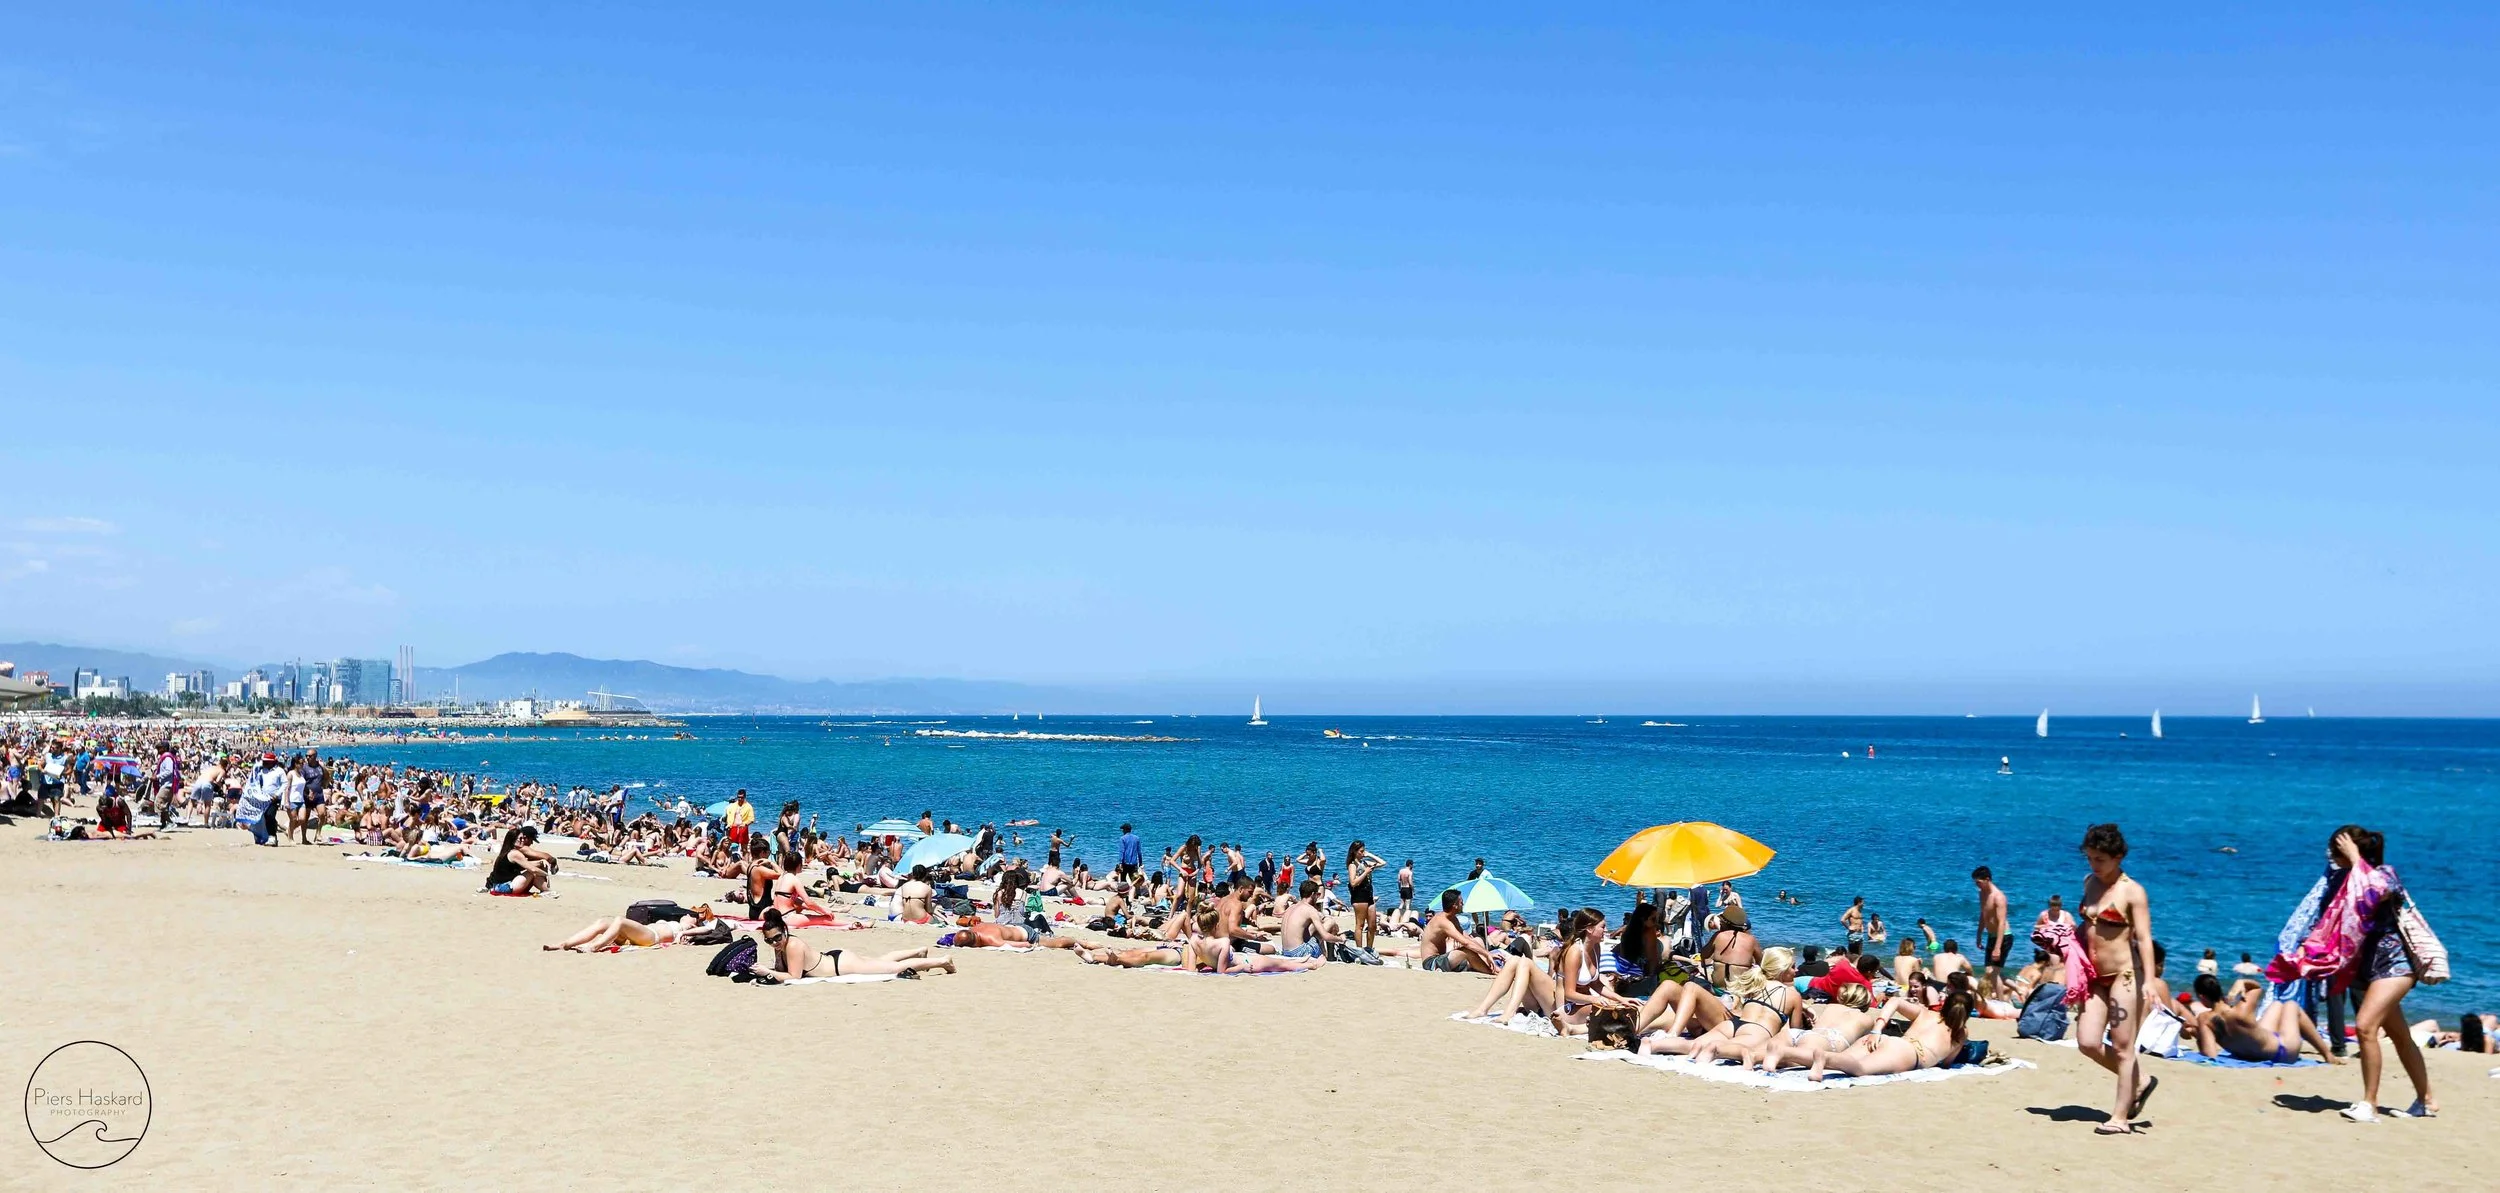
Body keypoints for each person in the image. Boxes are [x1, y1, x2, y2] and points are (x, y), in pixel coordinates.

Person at [2074, 823, 2157, 1135]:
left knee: (2124, 1047)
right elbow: (2089, 928)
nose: (2094, 865)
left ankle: (2120, 1118)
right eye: (2090, 858)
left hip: (2124, 975)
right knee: (2087, 1042)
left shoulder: (2132, 891)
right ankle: (2141, 1080)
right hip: (2093, 976)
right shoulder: (2089, 882)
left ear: (2118, 856)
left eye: (2100, 859)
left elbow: (2145, 939)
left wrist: (2149, 980)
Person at [1809, 989, 1973, 1081]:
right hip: (1909, 1054)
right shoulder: (1961, 1032)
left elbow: (1895, 1001)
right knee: (1859, 1069)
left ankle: (1815, 1057)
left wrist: (1877, 1029)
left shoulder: (1926, 1013)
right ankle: (1824, 1056)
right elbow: (1947, 1063)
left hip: (1885, 1039)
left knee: (1844, 1061)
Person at [750, 909, 955, 980]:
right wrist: (775, 957)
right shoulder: (784, 945)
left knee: (893, 969)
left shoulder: (792, 945)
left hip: (841, 966)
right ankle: (918, 951)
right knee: (879, 962)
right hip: (838, 960)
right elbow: (782, 969)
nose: (774, 942)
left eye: (777, 938)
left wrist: (766, 972)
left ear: (784, 932)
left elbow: (793, 977)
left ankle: (942, 961)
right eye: (769, 940)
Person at [2188, 975, 2336, 1064]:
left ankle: (2328, 1054)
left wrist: (2199, 1034)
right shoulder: (2241, 1009)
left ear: (2202, 997)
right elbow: (2257, 988)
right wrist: (2242, 982)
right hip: (2282, 1052)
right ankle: (2327, 1054)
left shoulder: (2205, 1020)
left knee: (2277, 1005)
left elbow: (2210, 1054)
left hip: (2257, 1050)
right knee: (2291, 1005)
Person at [545, 904, 716, 952]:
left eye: (697, 913)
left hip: (651, 937)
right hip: (642, 934)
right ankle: (564, 944)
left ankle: (594, 947)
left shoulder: (690, 925)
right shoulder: (680, 920)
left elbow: (708, 929)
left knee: (619, 920)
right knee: (603, 922)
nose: (690, 913)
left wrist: (685, 931)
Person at [1419, 889, 1500, 974]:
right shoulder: (1443, 921)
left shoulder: (1453, 919)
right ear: (1455, 905)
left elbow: (1467, 939)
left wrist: (1486, 953)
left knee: (1472, 960)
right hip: (1432, 963)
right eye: (1461, 902)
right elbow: (1466, 943)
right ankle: (1492, 972)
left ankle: (1497, 969)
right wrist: (1487, 954)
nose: (1463, 904)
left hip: (1442, 959)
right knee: (1467, 951)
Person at [484, 826, 552, 896]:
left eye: (523, 838)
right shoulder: (515, 853)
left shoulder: (507, 851)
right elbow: (532, 869)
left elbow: (526, 864)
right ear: (513, 840)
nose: (523, 840)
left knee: (538, 867)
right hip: (504, 887)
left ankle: (546, 890)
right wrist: (546, 874)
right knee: (532, 872)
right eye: (520, 838)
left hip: (498, 886)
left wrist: (541, 862)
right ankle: (547, 891)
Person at [1345, 839, 1387, 951]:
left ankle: (1369, 948)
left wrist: (1370, 855)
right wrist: (1365, 873)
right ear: (1354, 851)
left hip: (1369, 895)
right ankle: (1359, 950)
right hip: (1359, 896)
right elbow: (1353, 882)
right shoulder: (1352, 865)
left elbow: (1383, 863)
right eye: (1361, 851)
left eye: (1364, 851)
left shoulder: (1365, 863)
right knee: (1360, 924)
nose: (1363, 853)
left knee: (1372, 925)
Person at [1973, 866, 2012, 982]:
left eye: (1979, 882)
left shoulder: (1999, 897)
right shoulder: (1982, 894)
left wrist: (1997, 948)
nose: (1977, 885)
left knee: (1993, 973)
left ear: (1987, 879)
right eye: (1975, 882)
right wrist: (1979, 935)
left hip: (2004, 937)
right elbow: (1983, 915)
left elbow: (2001, 923)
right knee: (1989, 972)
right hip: (1991, 936)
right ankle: (2016, 988)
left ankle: (2000, 999)